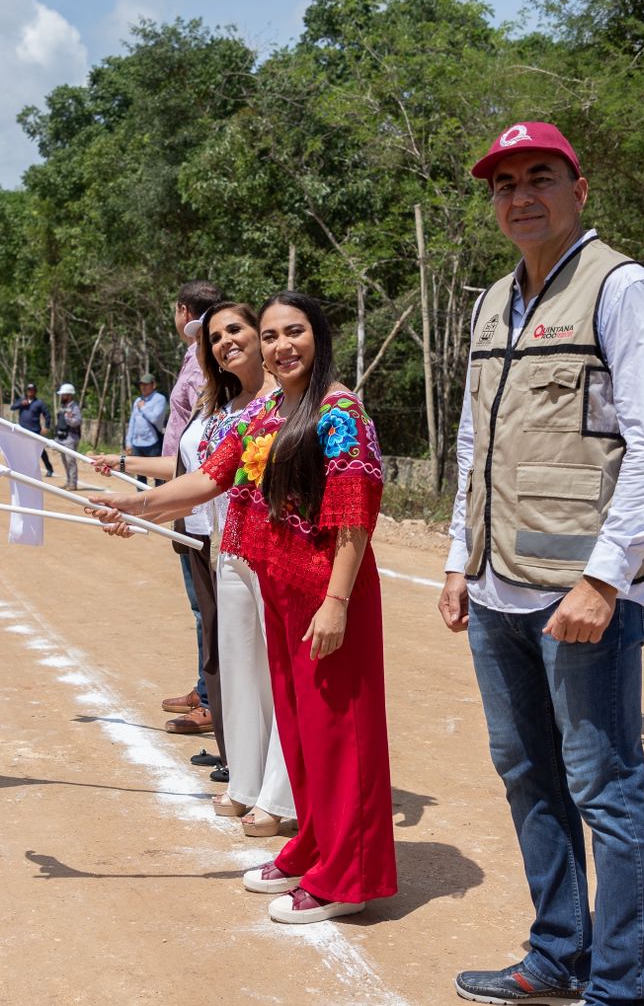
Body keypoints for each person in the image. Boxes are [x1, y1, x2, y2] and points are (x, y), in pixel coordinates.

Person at [438, 122, 644, 1006]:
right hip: (498, 584)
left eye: (540, 177)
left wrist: (603, 579)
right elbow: (476, 438)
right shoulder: (489, 302)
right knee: (527, 775)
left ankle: (621, 988)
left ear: (579, 190)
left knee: (606, 789)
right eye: (504, 185)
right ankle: (557, 953)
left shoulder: (624, 290)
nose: (520, 197)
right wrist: (457, 557)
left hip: (583, 595)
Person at [89, 291, 395, 925]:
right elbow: (209, 481)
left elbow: (353, 516)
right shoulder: (265, 413)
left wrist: (336, 602)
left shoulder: (339, 412)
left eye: (295, 333)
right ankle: (313, 844)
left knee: (341, 735)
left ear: (319, 336)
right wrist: (132, 507)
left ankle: (349, 877)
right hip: (280, 588)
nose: (283, 346)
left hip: (326, 594)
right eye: (276, 334)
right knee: (302, 729)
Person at [97, 301, 295, 835]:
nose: (226, 342)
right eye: (215, 337)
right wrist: (138, 513)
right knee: (237, 671)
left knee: (279, 677)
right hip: (225, 547)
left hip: (280, 552)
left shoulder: (289, 399)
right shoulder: (223, 408)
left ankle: (282, 793)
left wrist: (137, 506)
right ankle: (248, 783)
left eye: (236, 330)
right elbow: (204, 483)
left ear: (261, 335)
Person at [158, 279, 224, 735]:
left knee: (209, 606)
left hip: (198, 494)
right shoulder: (193, 356)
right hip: (184, 487)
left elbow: (206, 428)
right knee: (201, 603)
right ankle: (205, 687)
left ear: (184, 311)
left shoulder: (204, 360)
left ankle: (213, 698)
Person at [123, 372, 169, 486]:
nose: (143, 387)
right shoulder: (138, 400)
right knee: (139, 474)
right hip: (137, 443)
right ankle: (141, 499)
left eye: (146, 384)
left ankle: (159, 500)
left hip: (152, 442)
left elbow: (155, 418)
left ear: (153, 385)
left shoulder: (160, 399)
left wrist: (143, 408)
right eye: (141, 384)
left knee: (158, 474)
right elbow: (132, 422)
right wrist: (128, 442)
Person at [10, 383, 55, 477]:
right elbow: (12, 407)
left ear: (35, 391)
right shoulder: (22, 400)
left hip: (35, 431)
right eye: (28, 390)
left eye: (32, 390)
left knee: (41, 451)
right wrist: (20, 404)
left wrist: (46, 427)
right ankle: (23, 469)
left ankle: (49, 469)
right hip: (22, 431)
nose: (30, 391)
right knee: (22, 450)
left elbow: (47, 415)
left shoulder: (39, 403)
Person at [53, 383, 82, 489]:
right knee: (65, 460)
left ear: (69, 395)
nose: (62, 397)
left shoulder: (74, 408)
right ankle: (69, 481)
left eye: (63, 395)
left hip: (71, 437)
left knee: (70, 461)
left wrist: (68, 418)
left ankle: (73, 483)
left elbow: (77, 421)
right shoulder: (63, 406)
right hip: (62, 437)